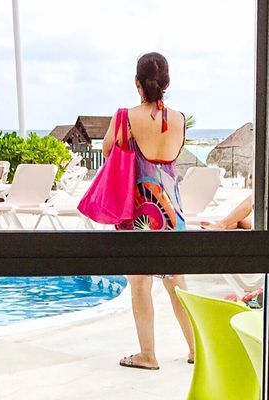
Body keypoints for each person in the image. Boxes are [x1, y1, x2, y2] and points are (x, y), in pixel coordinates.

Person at [104, 51, 195, 371]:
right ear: (167, 82)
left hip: (140, 209)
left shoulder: (126, 117)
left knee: (140, 283)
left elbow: (109, 152)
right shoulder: (180, 118)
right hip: (170, 207)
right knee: (176, 283)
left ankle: (147, 354)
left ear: (137, 83)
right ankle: (196, 348)